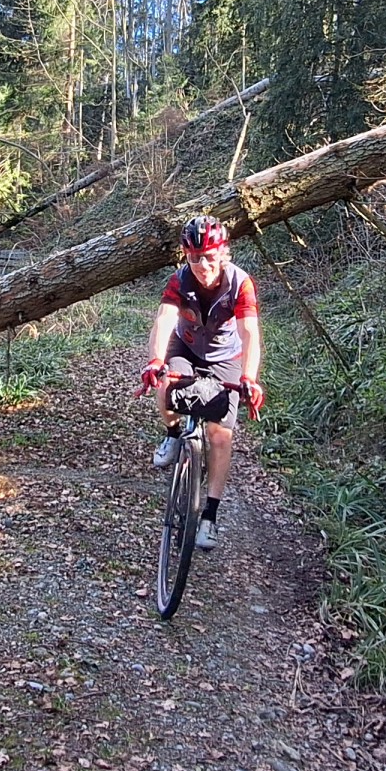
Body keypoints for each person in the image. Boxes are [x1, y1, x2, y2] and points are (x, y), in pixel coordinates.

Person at [133, 215, 265, 551]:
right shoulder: (179, 280)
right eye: (194, 257)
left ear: (224, 253)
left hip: (226, 357)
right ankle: (173, 434)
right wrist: (155, 361)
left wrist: (249, 378)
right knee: (166, 384)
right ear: (185, 256)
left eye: (209, 256)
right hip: (186, 347)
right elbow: (164, 321)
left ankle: (209, 515)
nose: (203, 264)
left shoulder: (240, 283)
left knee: (219, 435)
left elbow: (250, 334)